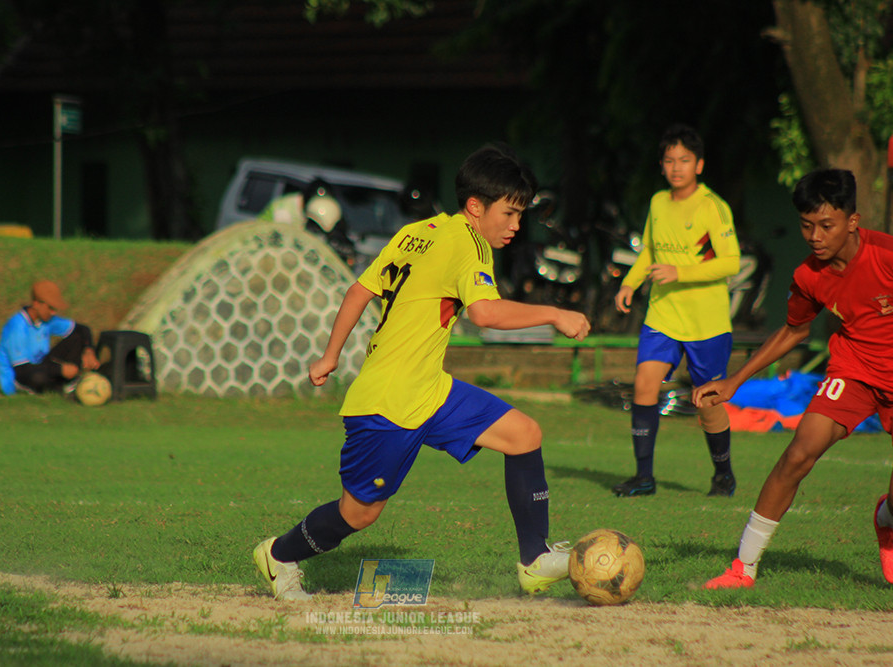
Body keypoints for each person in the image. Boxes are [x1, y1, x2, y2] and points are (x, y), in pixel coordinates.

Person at [253, 143, 591, 601]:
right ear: (476, 206)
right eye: (509, 214)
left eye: (520, 215)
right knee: (361, 513)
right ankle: (279, 554)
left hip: (429, 389)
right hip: (389, 401)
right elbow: (486, 315)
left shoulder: (420, 231)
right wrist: (553, 314)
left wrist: (331, 356)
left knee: (524, 434)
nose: (516, 225)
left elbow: (359, 290)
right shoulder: (468, 245)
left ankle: (533, 560)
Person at [694, 168, 893, 589]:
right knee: (800, 451)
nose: (815, 236)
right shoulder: (808, 276)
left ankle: (886, 518)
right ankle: (742, 567)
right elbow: (793, 330)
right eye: (807, 225)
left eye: (826, 225)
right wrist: (734, 383)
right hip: (853, 370)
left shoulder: (886, 256)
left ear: (852, 221)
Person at [611, 123, 741, 498]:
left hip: (706, 323)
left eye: (684, 160)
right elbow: (650, 252)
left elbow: (731, 262)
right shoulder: (657, 202)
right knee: (644, 385)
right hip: (663, 316)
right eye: (669, 160)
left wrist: (680, 272)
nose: (676, 167)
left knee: (708, 404)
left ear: (699, 165)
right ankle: (644, 478)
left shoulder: (713, 207)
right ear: (662, 165)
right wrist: (629, 283)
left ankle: (724, 474)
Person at [0, 279, 100, 395]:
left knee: (76, 338)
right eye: (50, 308)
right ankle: (60, 387)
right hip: (21, 376)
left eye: (54, 309)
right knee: (38, 377)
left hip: (42, 366)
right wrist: (59, 369)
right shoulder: (17, 326)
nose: (53, 312)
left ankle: (67, 385)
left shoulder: (46, 320)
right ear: (36, 304)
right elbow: (21, 370)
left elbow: (82, 329)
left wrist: (88, 350)